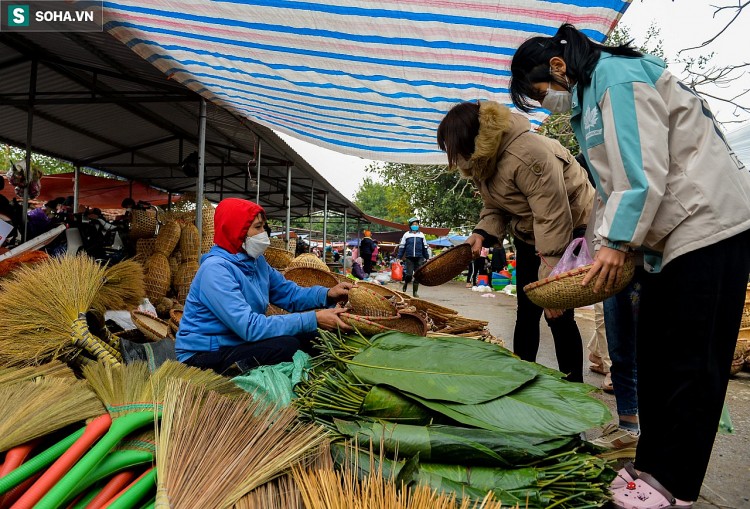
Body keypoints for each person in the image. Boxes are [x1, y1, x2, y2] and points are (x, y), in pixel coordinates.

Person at [509, 23, 750, 507]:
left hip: (707, 227)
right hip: (672, 236)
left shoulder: (617, 79)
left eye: (541, 94)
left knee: (691, 364)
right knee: (657, 356)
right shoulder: (595, 93)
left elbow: (641, 173)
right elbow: (612, 183)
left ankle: (673, 483)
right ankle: (653, 463)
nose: (546, 104)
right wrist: (607, 241)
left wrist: (616, 242)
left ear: (558, 68)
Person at [437, 100, 595, 383]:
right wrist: (481, 233)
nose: (454, 157)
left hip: (569, 230)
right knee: (527, 312)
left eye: (453, 149)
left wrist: (552, 281)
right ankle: (523, 383)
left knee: (558, 315)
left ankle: (573, 396)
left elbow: (553, 217)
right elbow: (495, 206)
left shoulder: (527, 154)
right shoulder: (484, 160)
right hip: (529, 233)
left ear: (470, 138)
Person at [176, 198, 353, 375]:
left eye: (263, 227)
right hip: (203, 355)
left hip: (237, 343)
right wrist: (313, 318)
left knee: (312, 336)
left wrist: (328, 294)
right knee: (287, 346)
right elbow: (250, 327)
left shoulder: (256, 262)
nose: (264, 233)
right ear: (237, 230)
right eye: (258, 227)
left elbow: (290, 294)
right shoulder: (215, 270)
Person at [397, 217, 431, 297]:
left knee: (418, 275)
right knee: (409, 275)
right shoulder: (406, 234)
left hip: (419, 257)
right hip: (409, 257)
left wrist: (427, 257)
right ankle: (406, 283)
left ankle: (415, 292)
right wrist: (399, 257)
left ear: (418, 225)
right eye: (413, 224)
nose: (415, 225)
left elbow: (424, 247)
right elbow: (402, 247)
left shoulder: (422, 235)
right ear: (410, 225)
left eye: (416, 224)